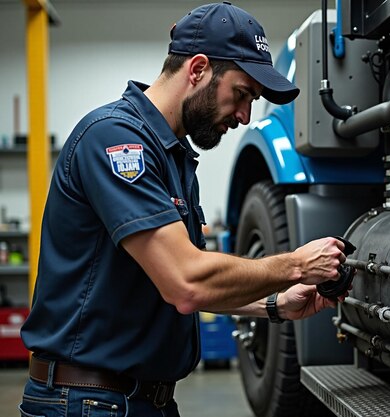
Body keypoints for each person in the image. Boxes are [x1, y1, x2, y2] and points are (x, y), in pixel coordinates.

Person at [19, 2, 348, 416]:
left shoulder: (172, 157)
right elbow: (185, 281)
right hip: (89, 401)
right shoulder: (116, 140)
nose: (245, 116)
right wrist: (297, 265)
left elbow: (180, 290)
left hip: (136, 400)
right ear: (197, 70)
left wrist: (274, 305)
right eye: (242, 94)